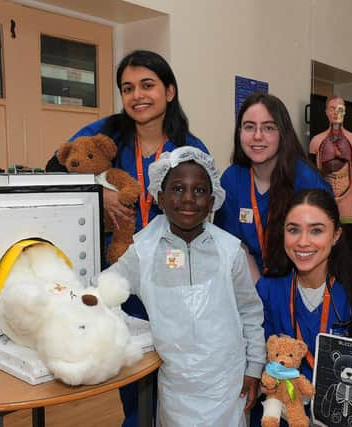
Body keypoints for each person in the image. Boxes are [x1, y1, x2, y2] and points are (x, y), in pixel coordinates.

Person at [45, 50, 208, 427]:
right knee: (129, 363)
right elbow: (56, 166)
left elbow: (208, 211)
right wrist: (95, 192)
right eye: (128, 88)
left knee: (174, 365)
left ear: (169, 90)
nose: (138, 96)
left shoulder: (191, 146)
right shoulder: (105, 134)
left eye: (147, 85)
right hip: (119, 272)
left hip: (174, 273)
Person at [103, 146, 266, 427]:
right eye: (178, 189)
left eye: (199, 191)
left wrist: (253, 368)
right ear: (161, 198)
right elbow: (105, 290)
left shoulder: (230, 251)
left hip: (227, 385)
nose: (188, 199)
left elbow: (250, 312)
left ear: (212, 200)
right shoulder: (143, 252)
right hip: (177, 389)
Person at [252, 188, 352, 427]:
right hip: (290, 415)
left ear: (335, 235)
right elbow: (256, 357)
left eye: (316, 230)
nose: (303, 242)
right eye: (293, 230)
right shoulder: (269, 290)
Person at [214, 93, 330, 283]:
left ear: (283, 133)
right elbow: (231, 245)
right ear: (239, 133)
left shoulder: (306, 180)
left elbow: (320, 247)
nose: (257, 136)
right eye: (249, 127)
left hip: (300, 282)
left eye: (268, 128)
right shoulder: (232, 179)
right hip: (249, 282)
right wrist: (260, 291)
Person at [309, 96, 352, 217]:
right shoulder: (316, 141)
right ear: (326, 112)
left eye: (339, 109)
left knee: (348, 231)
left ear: (344, 111)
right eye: (332, 108)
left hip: (347, 196)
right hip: (324, 195)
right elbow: (313, 174)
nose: (335, 113)